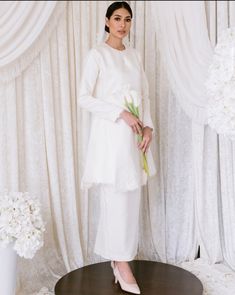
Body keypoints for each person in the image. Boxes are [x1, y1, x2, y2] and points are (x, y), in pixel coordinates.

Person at [78, 1, 156, 294]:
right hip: (111, 138)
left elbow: (144, 95)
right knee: (115, 198)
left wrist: (148, 126)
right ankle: (121, 263)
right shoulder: (97, 54)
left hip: (135, 140)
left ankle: (119, 258)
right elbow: (83, 97)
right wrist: (119, 113)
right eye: (118, 18)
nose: (123, 24)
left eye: (128, 19)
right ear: (107, 21)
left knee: (131, 199)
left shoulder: (135, 56)